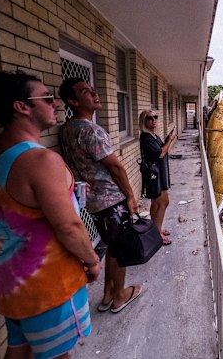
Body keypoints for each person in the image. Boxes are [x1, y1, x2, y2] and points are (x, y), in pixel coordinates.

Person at [0, 71, 101, 359]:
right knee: (58, 355)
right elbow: (69, 226)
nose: (55, 103)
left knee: (18, 350)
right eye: (46, 98)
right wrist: (92, 260)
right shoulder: (40, 160)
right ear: (22, 107)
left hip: (10, 280)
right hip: (48, 285)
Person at [59, 78, 142, 314]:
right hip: (111, 201)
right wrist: (131, 196)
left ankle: (107, 295)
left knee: (112, 248)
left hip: (92, 202)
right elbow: (115, 166)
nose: (95, 94)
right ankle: (119, 296)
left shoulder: (67, 129)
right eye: (86, 92)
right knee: (121, 250)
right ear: (73, 101)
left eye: (93, 89)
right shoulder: (90, 130)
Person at [138, 110, 177, 245]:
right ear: (144, 121)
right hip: (155, 175)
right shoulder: (146, 137)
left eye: (155, 117)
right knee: (163, 202)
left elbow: (162, 149)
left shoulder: (153, 135)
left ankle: (155, 229)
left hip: (159, 173)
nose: (153, 120)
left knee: (156, 203)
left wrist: (167, 140)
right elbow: (160, 153)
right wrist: (170, 141)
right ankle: (158, 234)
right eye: (150, 118)